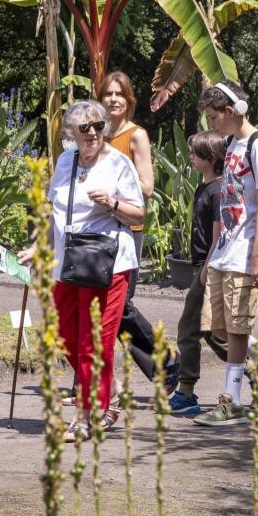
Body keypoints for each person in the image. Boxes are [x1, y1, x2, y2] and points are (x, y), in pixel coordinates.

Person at [17, 99, 144, 443]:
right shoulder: (65, 161)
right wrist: (39, 246)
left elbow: (139, 215)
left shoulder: (119, 164)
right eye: (84, 128)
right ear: (72, 132)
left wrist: (112, 204)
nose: (92, 133)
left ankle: (83, 418)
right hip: (68, 262)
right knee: (63, 335)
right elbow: (54, 211)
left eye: (98, 126)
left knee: (94, 342)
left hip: (108, 264)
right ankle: (111, 389)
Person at [194, 81, 258, 426]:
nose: (211, 125)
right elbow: (228, 202)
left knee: (237, 329)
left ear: (231, 111)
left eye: (213, 117)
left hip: (246, 251)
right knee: (218, 327)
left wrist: (256, 257)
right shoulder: (231, 144)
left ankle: (232, 400)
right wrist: (212, 257)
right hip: (225, 250)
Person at [98, 71, 181, 392]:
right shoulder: (97, 136)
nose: (114, 99)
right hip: (98, 231)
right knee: (107, 306)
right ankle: (162, 365)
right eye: (108, 94)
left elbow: (146, 187)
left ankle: (166, 360)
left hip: (127, 228)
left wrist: (112, 192)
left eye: (120, 94)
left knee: (120, 305)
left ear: (129, 100)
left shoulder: (136, 136)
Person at [168, 130, 229, 415]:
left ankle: (186, 391)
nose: (190, 156)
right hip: (200, 267)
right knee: (210, 331)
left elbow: (218, 236)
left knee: (188, 328)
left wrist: (206, 271)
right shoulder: (203, 187)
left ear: (211, 157)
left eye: (195, 153)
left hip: (209, 267)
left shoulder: (219, 190)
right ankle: (257, 373)